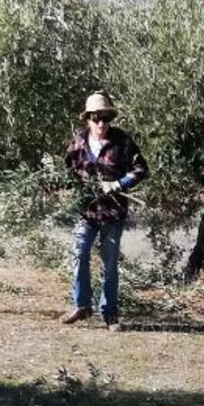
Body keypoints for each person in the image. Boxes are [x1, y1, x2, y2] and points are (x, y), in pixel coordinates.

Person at [60, 92, 149, 332]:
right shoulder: (78, 142)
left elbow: (141, 170)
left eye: (106, 118)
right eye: (97, 118)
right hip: (87, 212)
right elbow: (66, 172)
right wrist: (69, 187)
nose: (102, 123)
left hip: (113, 213)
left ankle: (109, 314)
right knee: (79, 254)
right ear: (88, 119)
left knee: (109, 264)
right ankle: (82, 306)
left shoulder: (122, 141)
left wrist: (119, 184)